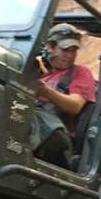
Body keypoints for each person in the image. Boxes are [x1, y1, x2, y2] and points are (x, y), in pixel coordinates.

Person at [30, 23, 97, 155]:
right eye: (65, 50)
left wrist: (46, 91)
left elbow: (75, 105)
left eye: (74, 50)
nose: (70, 55)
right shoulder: (37, 69)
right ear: (50, 47)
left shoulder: (80, 72)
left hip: (56, 136)